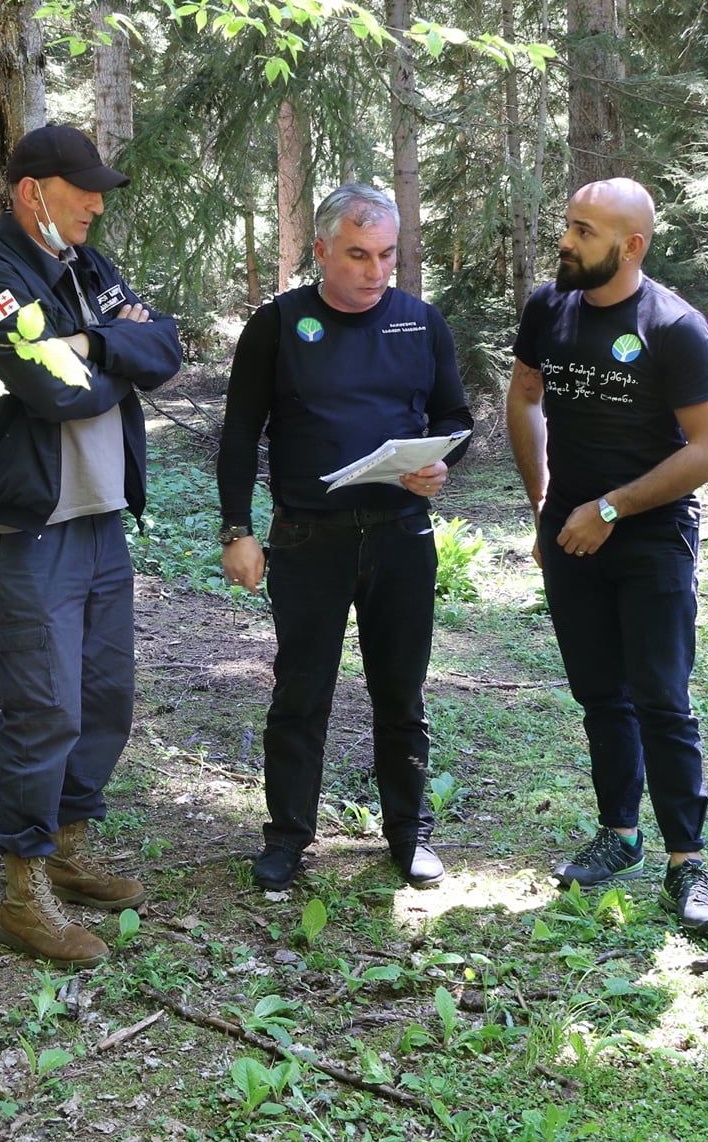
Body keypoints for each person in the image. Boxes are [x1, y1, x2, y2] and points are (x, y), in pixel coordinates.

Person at [0, 124, 182, 968]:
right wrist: (99, 354)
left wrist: (91, 343)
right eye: (81, 187)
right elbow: (57, 394)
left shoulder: (88, 271)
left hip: (101, 518)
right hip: (31, 529)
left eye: (98, 189)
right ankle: (25, 887)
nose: (96, 202)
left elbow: (164, 348)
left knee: (104, 694)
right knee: (42, 705)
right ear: (31, 192)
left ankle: (71, 842)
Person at [218, 183, 473, 892]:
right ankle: (288, 839)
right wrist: (237, 528)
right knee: (301, 694)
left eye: (387, 254)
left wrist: (438, 467)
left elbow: (456, 420)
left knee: (402, 693)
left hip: (399, 535)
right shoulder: (279, 324)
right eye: (358, 254)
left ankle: (409, 834)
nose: (375, 270)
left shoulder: (421, 323)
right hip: (307, 538)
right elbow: (239, 434)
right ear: (323, 250)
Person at [506, 178, 708, 936]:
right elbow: (525, 395)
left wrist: (612, 508)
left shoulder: (674, 326)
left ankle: (687, 865)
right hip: (571, 532)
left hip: (650, 538)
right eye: (568, 224)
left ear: (631, 246)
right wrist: (543, 502)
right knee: (601, 693)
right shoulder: (548, 308)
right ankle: (619, 836)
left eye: (585, 231)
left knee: (662, 698)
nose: (566, 241)